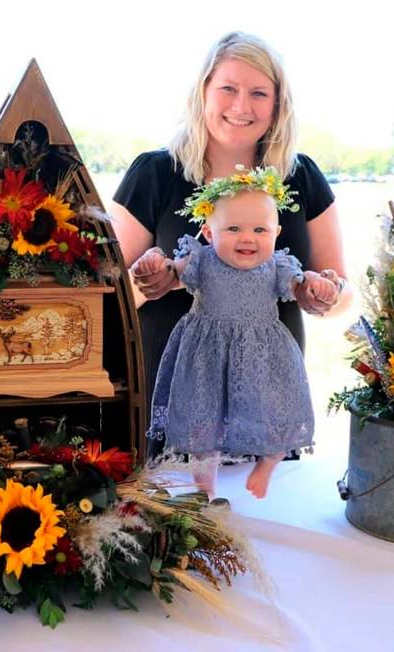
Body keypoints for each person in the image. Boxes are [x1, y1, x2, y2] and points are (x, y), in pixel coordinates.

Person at [110, 31, 352, 458]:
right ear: (203, 91)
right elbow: (103, 297)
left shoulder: (302, 176)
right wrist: (150, 281)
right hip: (171, 395)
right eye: (228, 88)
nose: (242, 107)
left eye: (259, 93)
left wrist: (324, 295)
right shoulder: (154, 173)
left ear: (278, 105)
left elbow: (343, 292)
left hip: (266, 402)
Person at [132, 168, 340, 498]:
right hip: (206, 357)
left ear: (277, 232)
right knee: (204, 426)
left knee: (276, 415)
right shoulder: (201, 260)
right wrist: (155, 263)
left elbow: (302, 285)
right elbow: (170, 273)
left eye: (260, 229)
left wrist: (317, 283)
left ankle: (268, 464)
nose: (247, 238)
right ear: (209, 233)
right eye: (233, 228)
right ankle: (205, 487)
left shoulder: (277, 266)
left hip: (264, 355)